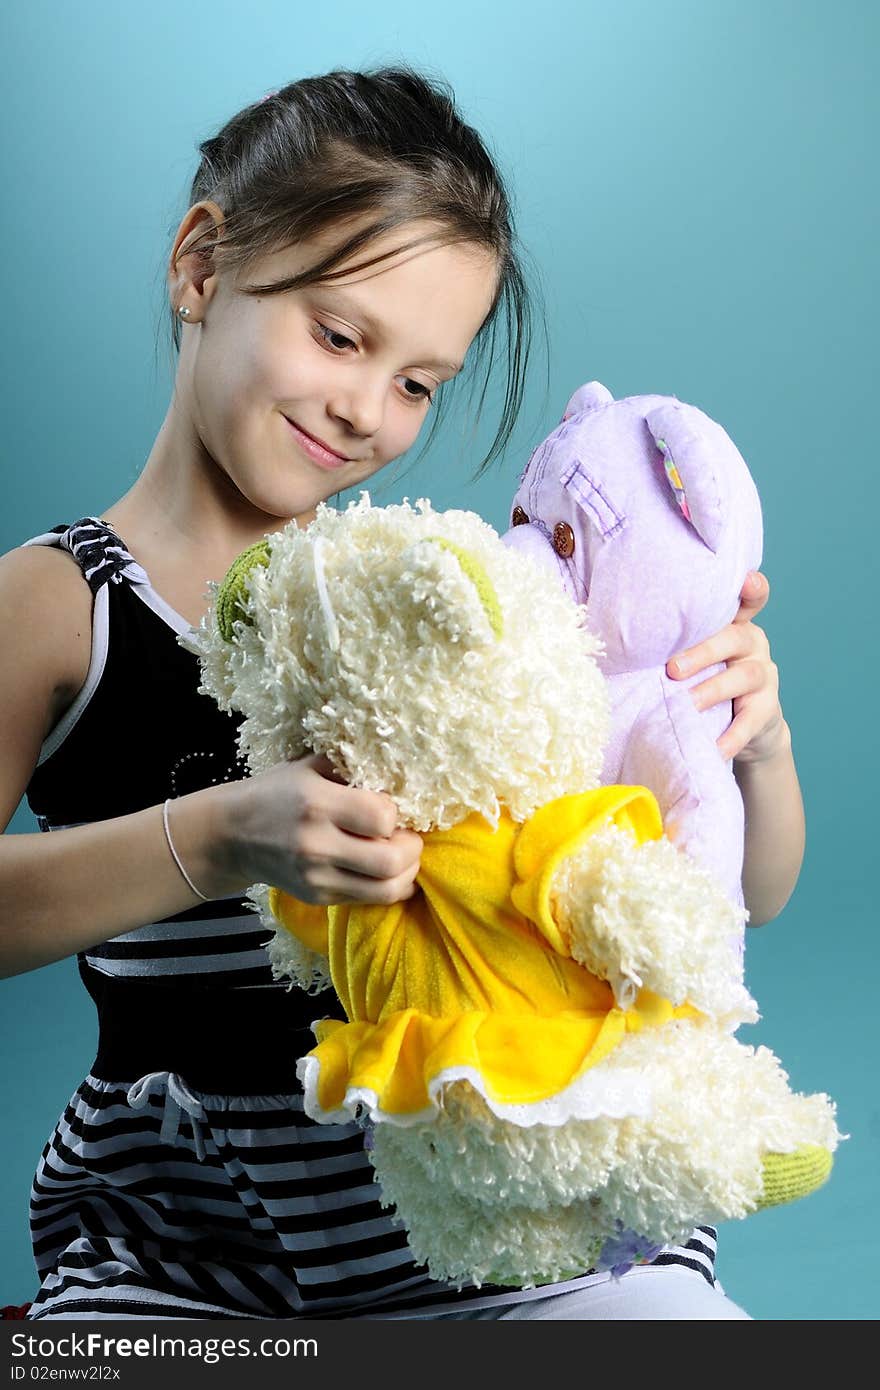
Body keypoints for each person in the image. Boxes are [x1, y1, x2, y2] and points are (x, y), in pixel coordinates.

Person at [0, 65, 803, 1322]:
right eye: (337, 335)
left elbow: (738, 896)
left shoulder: (452, 602)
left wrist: (745, 745)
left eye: (420, 382)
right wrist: (215, 835)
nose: (366, 410)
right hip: (198, 1260)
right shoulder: (62, 601)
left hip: (501, 1241)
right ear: (202, 267)